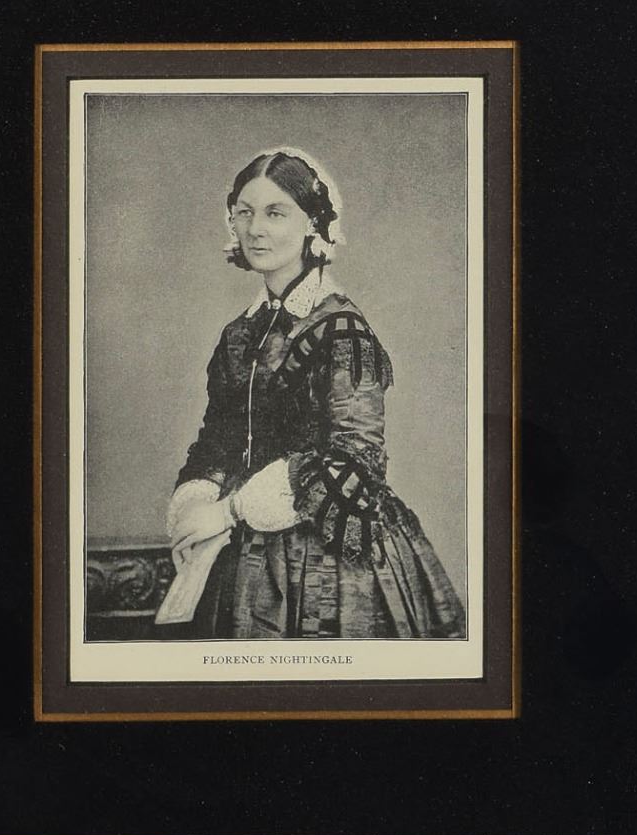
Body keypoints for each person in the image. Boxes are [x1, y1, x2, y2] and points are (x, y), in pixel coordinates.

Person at [156, 146, 465, 641]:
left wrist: (230, 510)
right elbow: (218, 438)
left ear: (312, 223)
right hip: (237, 552)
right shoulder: (239, 334)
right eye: (245, 213)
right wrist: (197, 504)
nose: (256, 229)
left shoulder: (341, 328)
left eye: (275, 213)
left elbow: (355, 460)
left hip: (331, 560)